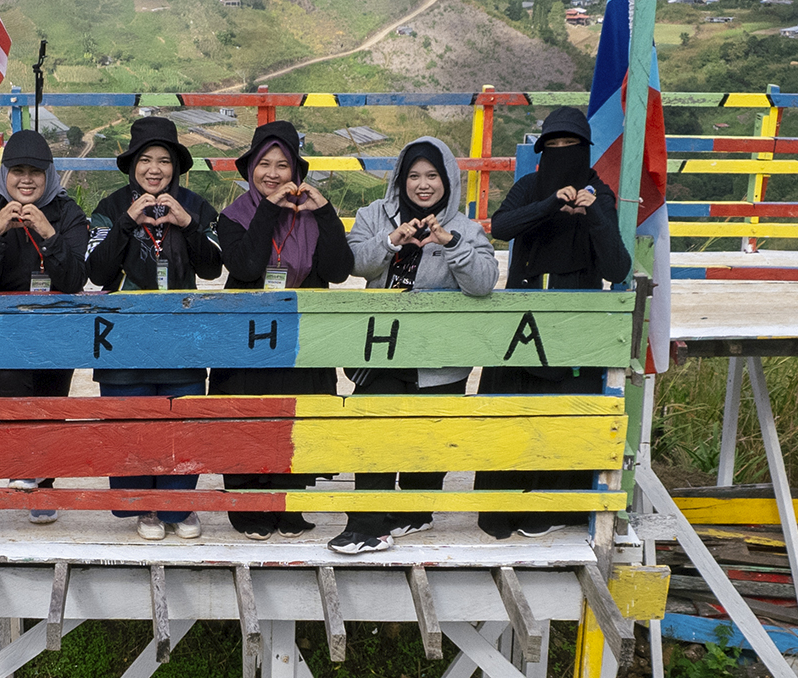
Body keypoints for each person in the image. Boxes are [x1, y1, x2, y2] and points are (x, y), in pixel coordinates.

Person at [329, 137, 496, 555]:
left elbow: (483, 284)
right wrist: (391, 240)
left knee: (429, 440)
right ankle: (367, 525)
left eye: (433, 176)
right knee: (377, 435)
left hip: (439, 354)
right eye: (414, 176)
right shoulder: (373, 215)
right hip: (381, 348)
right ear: (400, 180)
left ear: (448, 180)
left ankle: (416, 511)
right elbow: (353, 264)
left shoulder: (468, 228)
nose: (423, 185)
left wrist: (450, 243)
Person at [474, 105, 631, 540]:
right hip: (521, 323)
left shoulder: (600, 193)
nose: (563, 153)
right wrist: (549, 205)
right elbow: (502, 226)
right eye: (554, 146)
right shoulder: (529, 187)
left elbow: (616, 267)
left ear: (585, 150)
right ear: (543, 152)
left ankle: (553, 506)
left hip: (573, 324)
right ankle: (500, 508)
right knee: (511, 414)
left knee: (564, 415)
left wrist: (593, 215)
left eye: (571, 146)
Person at [84, 115, 225, 540]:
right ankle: (143, 507)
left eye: (164, 160)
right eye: (145, 160)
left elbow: (213, 264)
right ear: (132, 165)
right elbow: (96, 268)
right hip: (124, 336)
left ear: (176, 166)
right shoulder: (110, 207)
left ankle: (178, 506)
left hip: (181, 333)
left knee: (182, 419)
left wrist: (188, 224)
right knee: (131, 419)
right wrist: (127, 222)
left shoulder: (196, 206)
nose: (154, 169)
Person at [212, 120, 353, 536]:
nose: (272, 174)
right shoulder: (234, 216)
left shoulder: (312, 216)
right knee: (248, 414)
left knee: (296, 413)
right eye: (264, 164)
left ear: (296, 172)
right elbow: (246, 266)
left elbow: (339, 270)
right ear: (250, 168)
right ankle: (249, 506)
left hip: (298, 333)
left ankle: (289, 504)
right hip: (247, 337)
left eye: (283, 166)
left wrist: (325, 213)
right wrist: (269, 209)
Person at [0, 128, 91, 524]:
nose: (27, 179)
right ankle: (24, 476)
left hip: (56, 330)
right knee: (16, 406)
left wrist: (49, 234)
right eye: (17, 171)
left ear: (49, 175)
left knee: (51, 408)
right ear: (4, 175)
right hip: (7, 330)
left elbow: (74, 280)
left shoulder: (67, 213)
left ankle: (45, 487)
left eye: (36, 171)